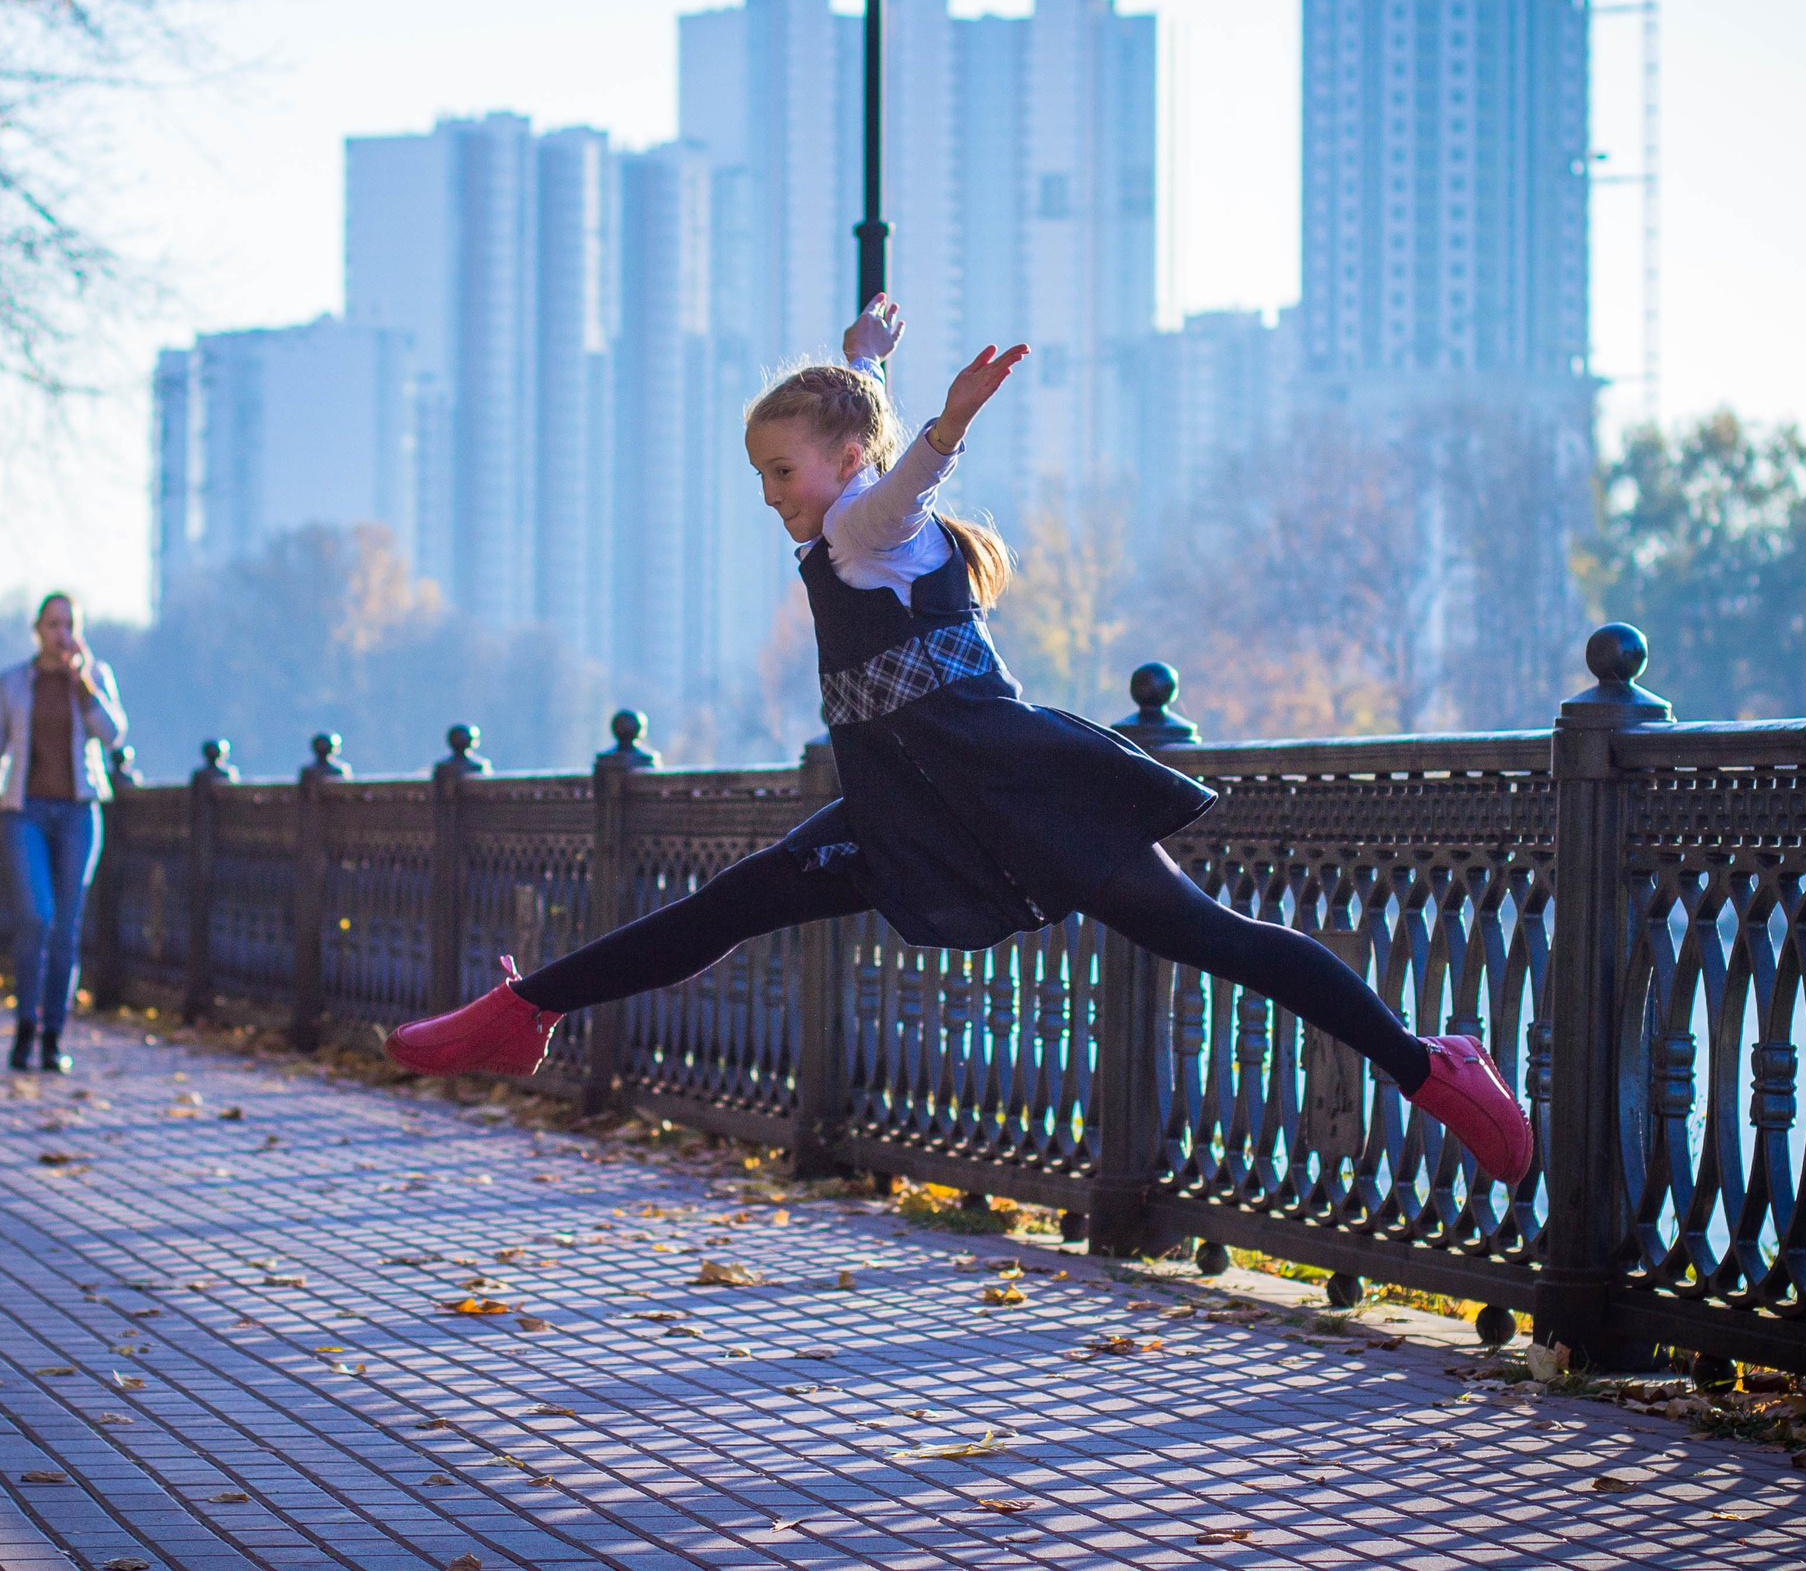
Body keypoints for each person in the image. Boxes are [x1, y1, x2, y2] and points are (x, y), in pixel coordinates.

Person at [383, 300, 1530, 1183]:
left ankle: (1434, 1070)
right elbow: (871, 447)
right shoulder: (864, 503)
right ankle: (524, 1013)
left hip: (1017, 798)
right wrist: (864, 352)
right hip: (911, 808)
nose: (770, 494)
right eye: (762, 474)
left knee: (1213, 940)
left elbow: (896, 477)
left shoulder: (865, 524)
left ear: (836, 466)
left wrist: (947, 423)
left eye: (780, 472)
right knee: (730, 904)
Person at [0, 593, 128, 1074]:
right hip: (24, 812)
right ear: (37, 629)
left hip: (79, 813)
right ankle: (24, 1026)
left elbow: (114, 735)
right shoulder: (12, 683)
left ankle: (53, 1036)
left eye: (69, 624)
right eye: (53, 624)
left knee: (68, 928)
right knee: (37, 916)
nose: (61, 633)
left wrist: (84, 686)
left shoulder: (95, 678)